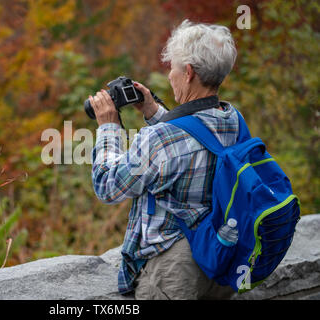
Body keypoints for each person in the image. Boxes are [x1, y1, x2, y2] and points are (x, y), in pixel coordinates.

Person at [89, 20, 240, 300]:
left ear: (189, 73)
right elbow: (194, 139)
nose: (170, 75)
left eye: (172, 67)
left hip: (174, 274)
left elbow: (107, 186)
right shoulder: (232, 119)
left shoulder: (159, 140)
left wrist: (109, 127)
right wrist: (154, 111)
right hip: (220, 257)